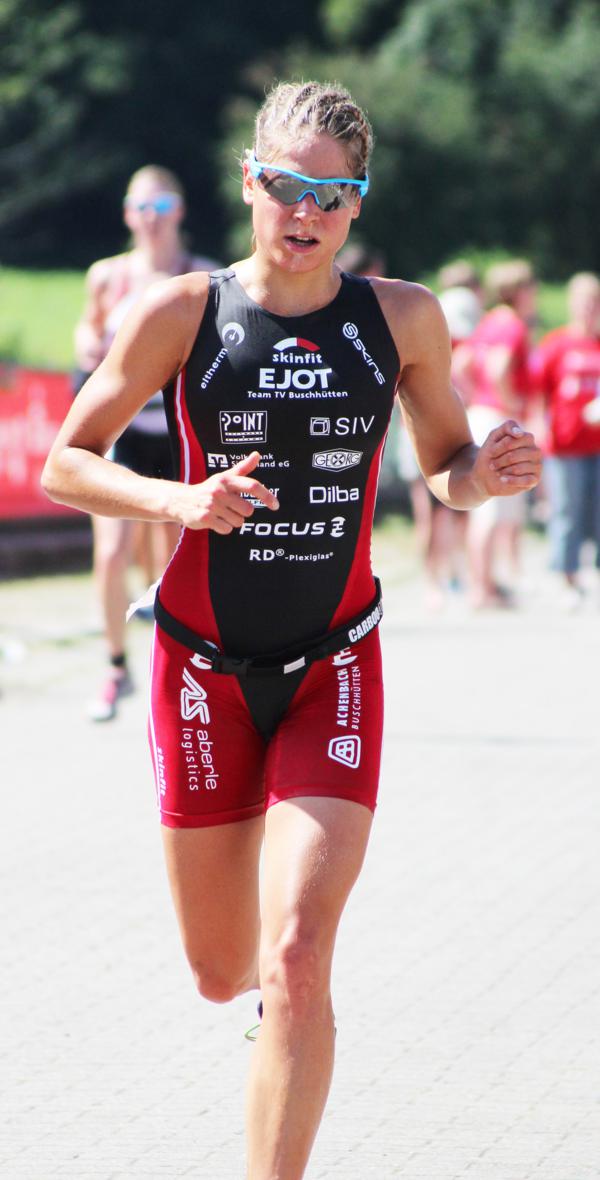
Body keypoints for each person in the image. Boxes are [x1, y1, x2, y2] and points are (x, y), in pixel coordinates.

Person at [43, 81, 541, 1180]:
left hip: (334, 667)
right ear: (248, 181)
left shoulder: (401, 319)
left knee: (298, 954)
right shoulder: (182, 312)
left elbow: (447, 469)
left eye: (331, 193)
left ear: (358, 202)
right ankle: (270, 1007)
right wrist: (179, 501)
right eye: (285, 185)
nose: (305, 212)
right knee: (223, 971)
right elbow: (64, 462)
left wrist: (487, 475)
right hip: (201, 672)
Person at [74, 164, 218, 720]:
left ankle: (179, 673)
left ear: (178, 211)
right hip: (124, 430)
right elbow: (87, 333)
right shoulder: (106, 276)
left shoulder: (203, 275)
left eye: (160, 208)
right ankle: (116, 667)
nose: (150, 219)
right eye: (140, 208)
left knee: (174, 561)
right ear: (127, 215)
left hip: (180, 433)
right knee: (111, 551)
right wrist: (88, 342)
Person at [452, 259, 537, 608]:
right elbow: (499, 368)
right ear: (519, 291)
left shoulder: (488, 321)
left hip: (481, 414)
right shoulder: (513, 324)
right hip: (500, 417)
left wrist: (474, 398)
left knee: (486, 504)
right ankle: (482, 588)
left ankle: (483, 582)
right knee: (494, 508)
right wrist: (510, 403)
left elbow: (461, 364)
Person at [532, 272, 600, 608]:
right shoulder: (556, 344)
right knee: (566, 511)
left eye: (594, 302)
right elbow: (538, 393)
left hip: (597, 445)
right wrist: (538, 430)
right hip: (565, 445)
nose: (588, 309)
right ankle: (567, 577)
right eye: (583, 302)